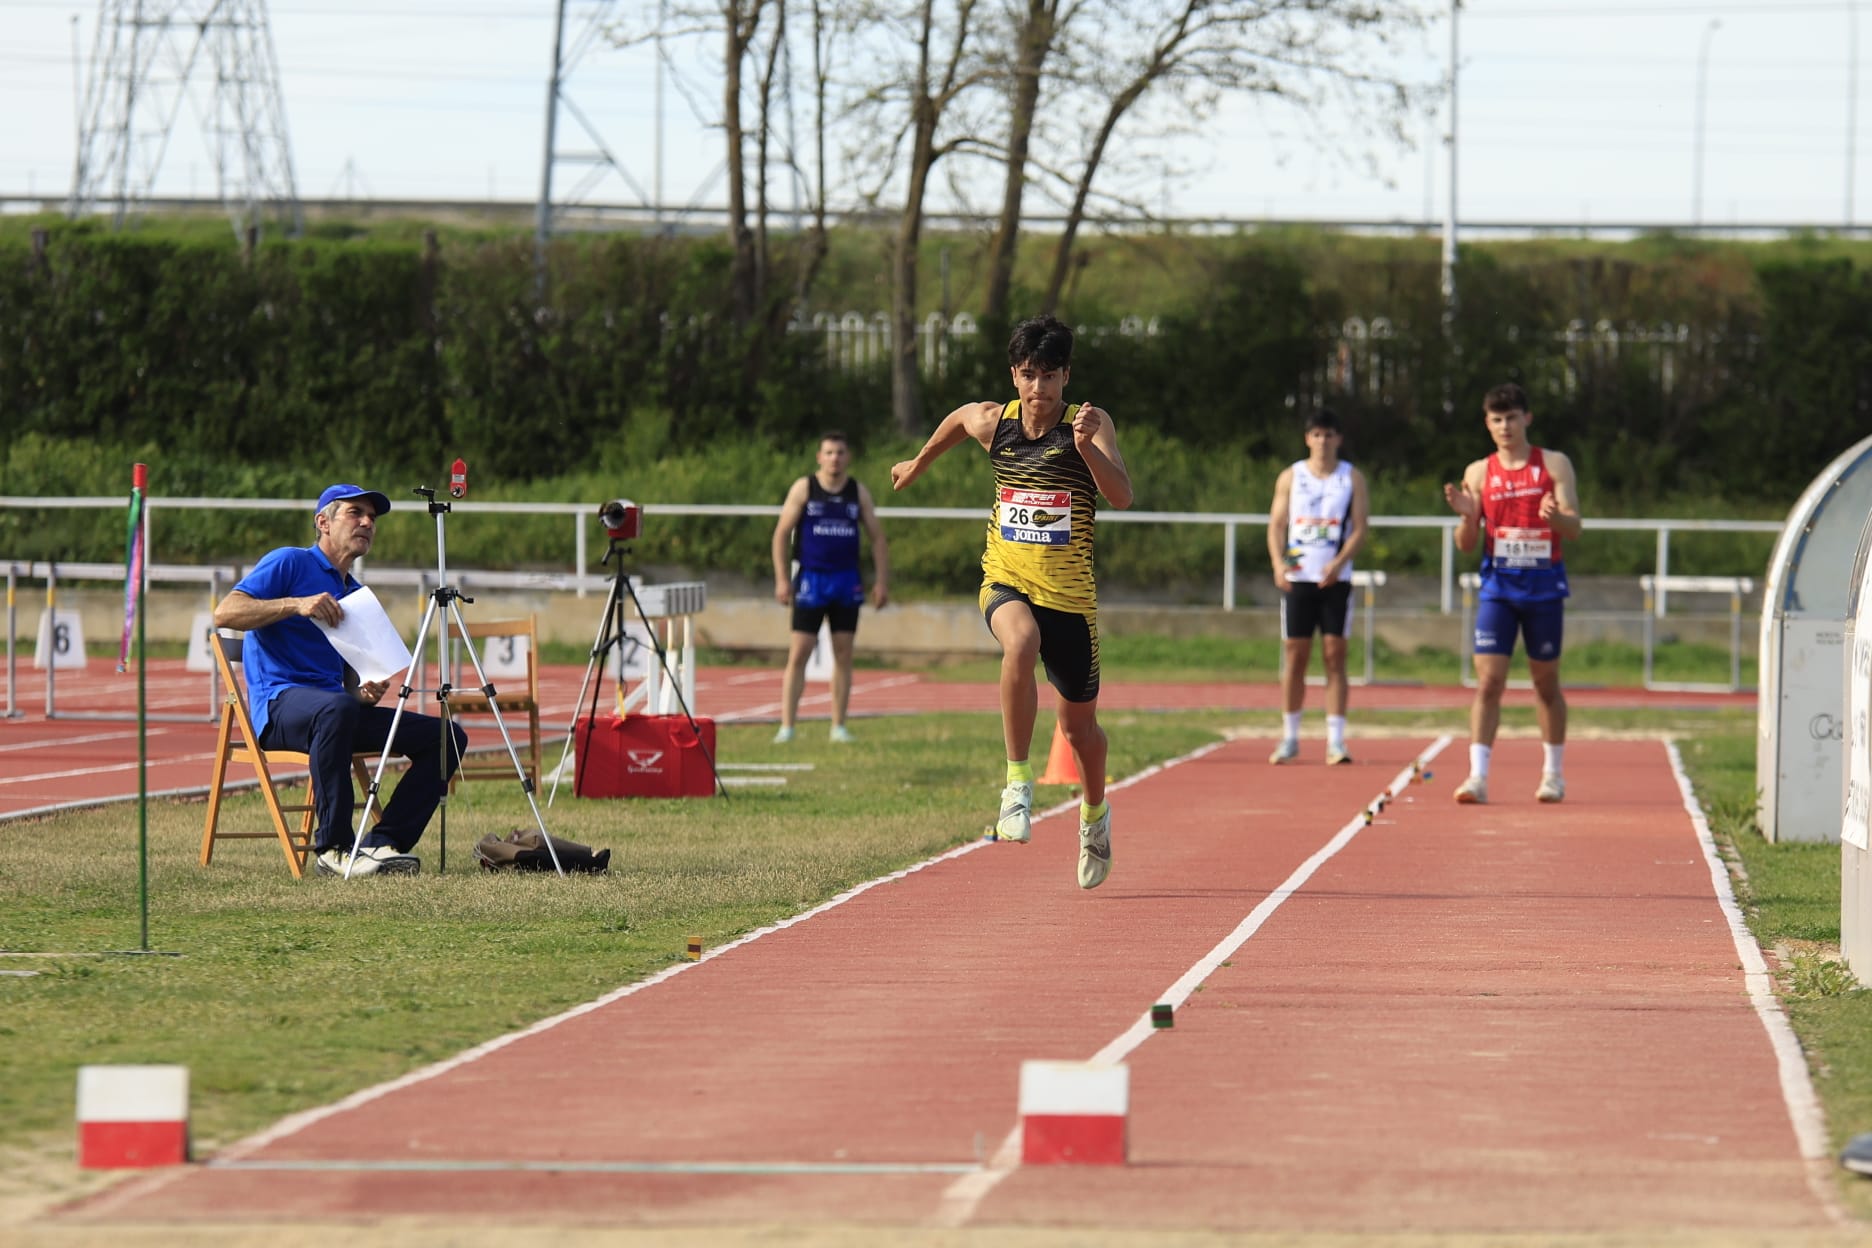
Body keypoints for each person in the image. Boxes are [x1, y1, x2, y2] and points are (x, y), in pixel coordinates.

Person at [889, 315, 1133, 890]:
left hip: (1069, 598)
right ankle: (1017, 787)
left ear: (1066, 377)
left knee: (1080, 732)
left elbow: (1121, 495)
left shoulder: (1089, 424)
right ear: (1014, 376)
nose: (1038, 389)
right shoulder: (992, 422)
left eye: (1050, 377)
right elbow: (955, 421)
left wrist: (1087, 452)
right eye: (1028, 376)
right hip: (1005, 579)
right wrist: (918, 463)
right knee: (1019, 641)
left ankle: (1095, 814)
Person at [212, 484, 467, 877]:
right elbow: (225, 613)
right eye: (355, 513)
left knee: (448, 737)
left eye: (372, 518)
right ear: (323, 522)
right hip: (281, 708)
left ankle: (383, 843)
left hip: (335, 712)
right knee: (337, 708)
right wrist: (295, 604)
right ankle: (333, 848)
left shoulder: (357, 594)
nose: (367, 522)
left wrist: (363, 692)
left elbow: (348, 684)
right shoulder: (289, 563)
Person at [1441, 382, 1582, 805]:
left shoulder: (1553, 465)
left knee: (1545, 683)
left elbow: (1575, 528)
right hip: (1498, 590)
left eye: (1512, 418)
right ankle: (1477, 777)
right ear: (1487, 423)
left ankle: (1553, 774)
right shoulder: (1478, 472)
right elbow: (1466, 544)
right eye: (1497, 420)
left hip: (1542, 591)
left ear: (1527, 419)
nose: (1505, 427)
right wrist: (1468, 518)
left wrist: (1556, 518)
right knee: (1489, 681)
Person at [771, 431, 891, 743]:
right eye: (829, 452)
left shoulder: (857, 492)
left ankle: (838, 725)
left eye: (840, 452)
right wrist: (783, 579)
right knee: (799, 653)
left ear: (847, 457)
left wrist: (881, 581)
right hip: (812, 580)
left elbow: (878, 537)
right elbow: (781, 534)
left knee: (844, 654)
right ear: (819, 457)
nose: (834, 458)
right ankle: (787, 726)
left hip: (846, 581)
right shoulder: (805, 488)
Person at [1266, 408, 1370, 766]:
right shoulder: (1291, 476)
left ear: (1339, 439)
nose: (1323, 441)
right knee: (1295, 656)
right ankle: (1290, 736)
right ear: (1307, 438)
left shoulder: (1350, 477)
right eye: (1317, 435)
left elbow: (1359, 527)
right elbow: (1277, 524)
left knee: (1334, 656)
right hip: (1298, 577)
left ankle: (1336, 741)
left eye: (1329, 435)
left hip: (1334, 579)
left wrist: (1339, 562)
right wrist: (1279, 564)